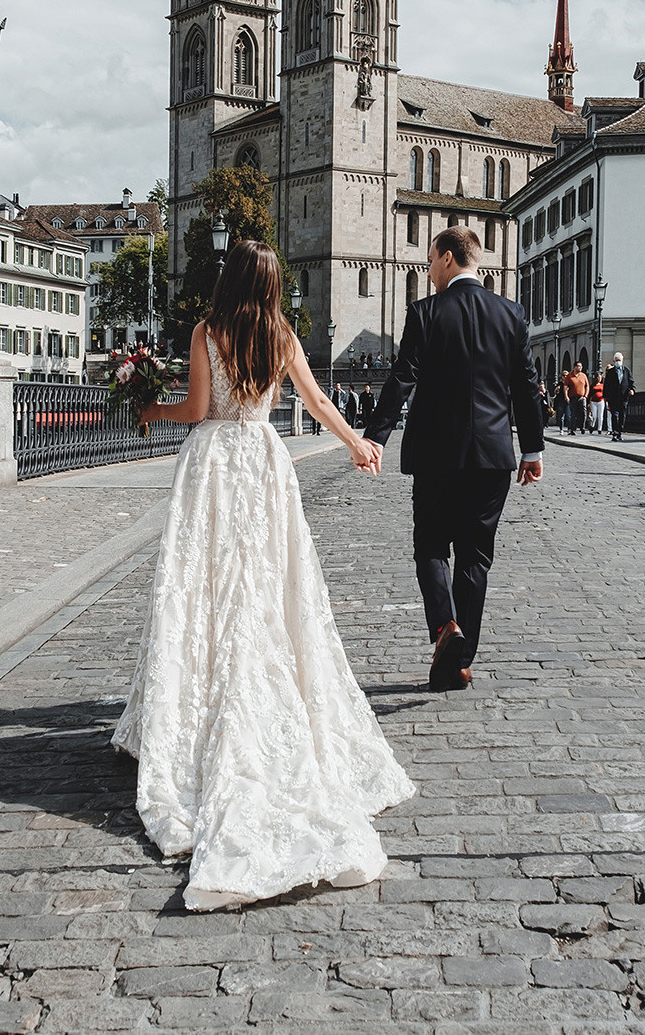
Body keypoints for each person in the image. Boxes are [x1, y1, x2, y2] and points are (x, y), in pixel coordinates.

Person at [124, 241, 413, 910]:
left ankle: (195, 708)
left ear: (228, 279)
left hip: (213, 468)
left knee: (204, 592)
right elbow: (314, 400)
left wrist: (151, 410)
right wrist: (356, 441)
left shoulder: (207, 329)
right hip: (261, 461)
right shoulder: (279, 332)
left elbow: (197, 408)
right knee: (268, 592)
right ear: (274, 284)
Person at [364, 226, 544, 694]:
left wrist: (376, 436)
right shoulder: (511, 314)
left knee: (430, 546)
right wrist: (532, 447)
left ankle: (446, 629)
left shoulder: (425, 313)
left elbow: (403, 378)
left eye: (428, 262)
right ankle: (461, 662)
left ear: (446, 258)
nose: (427, 272)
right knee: (475, 557)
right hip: (492, 455)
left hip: (436, 454)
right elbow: (525, 385)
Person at [601, 353, 634, 442]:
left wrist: (632, 390)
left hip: (623, 397)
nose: (618, 362)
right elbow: (606, 385)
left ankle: (619, 432)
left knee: (622, 415)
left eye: (619, 360)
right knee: (615, 415)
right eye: (616, 360)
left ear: (622, 361)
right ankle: (615, 433)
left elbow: (631, 381)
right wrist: (606, 396)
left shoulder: (626, 370)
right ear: (614, 361)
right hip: (613, 398)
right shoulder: (611, 372)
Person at [562, 362, 589, 435]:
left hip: (582, 397)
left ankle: (582, 427)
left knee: (583, 412)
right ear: (574, 367)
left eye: (581, 366)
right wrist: (566, 396)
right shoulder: (569, 376)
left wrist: (585, 395)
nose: (580, 368)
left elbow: (587, 386)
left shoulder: (583, 376)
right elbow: (565, 387)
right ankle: (573, 429)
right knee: (573, 413)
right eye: (579, 366)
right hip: (573, 397)